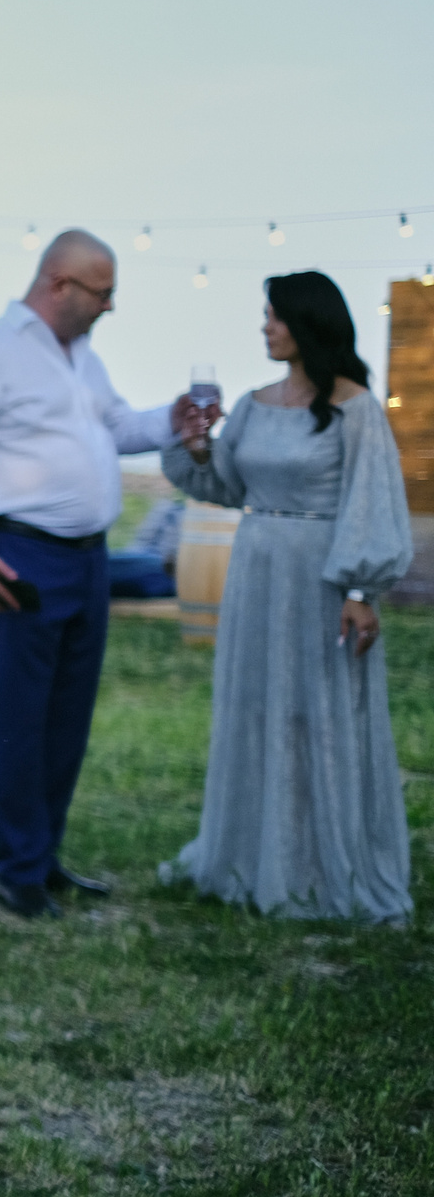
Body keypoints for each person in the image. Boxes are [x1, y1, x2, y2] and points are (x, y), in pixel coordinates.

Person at [0, 230, 198, 919]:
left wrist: (173, 419)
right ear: (59, 284)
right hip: (22, 553)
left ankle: (44, 857)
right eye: (103, 292)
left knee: (67, 717)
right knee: (22, 716)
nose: (111, 307)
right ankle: (17, 873)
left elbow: (117, 427)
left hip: (88, 556)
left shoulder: (83, 359)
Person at [160, 272, 414, 921]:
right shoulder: (251, 402)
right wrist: (196, 448)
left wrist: (361, 587)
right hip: (258, 571)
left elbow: (373, 499)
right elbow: (222, 485)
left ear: (308, 323)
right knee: (256, 704)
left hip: (323, 575)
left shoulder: (355, 406)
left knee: (320, 711)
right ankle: (255, 851)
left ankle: (320, 860)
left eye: (274, 316)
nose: (265, 326)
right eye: (265, 315)